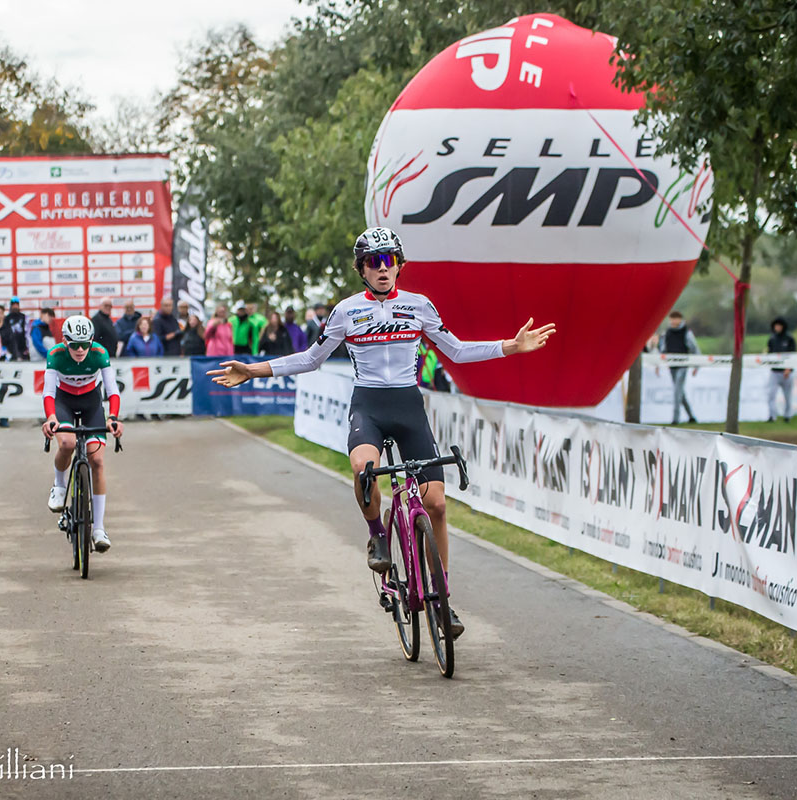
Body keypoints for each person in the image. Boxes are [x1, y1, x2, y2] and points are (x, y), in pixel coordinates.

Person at [210, 227, 555, 637]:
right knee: (364, 470)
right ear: (361, 269)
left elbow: (457, 350)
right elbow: (311, 358)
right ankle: (377, 535)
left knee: (439, 506)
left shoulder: (420, 306)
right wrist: (253, 369)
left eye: (389, 259)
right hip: (369, 406)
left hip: (408, 407)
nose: (382, 268)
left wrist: (510, 347)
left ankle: (443, 596)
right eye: (373, 262)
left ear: (400, 265)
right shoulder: (346, 311)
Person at [41, 315, 124, 553]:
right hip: (63, 401)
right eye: (74, 344)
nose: (80, 350)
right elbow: (48, 391)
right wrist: (51, 417)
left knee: (96, 460)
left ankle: (98, 528)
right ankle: (58, 485)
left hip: (91, 402)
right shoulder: (55, 355)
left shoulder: (99, 352)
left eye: (85, 344)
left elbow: (112, 389)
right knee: (67, 443)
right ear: (65, 341)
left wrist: (114, 418)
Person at [659, 310, 699, 424]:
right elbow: (663, 349)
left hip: (683, 365)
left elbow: (694, 349)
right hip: (671, 365)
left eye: (675, 318)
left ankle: (675, 419)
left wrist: (697, 365)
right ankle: (691, 416)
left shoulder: (686, 332)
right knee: (680, 392)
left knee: (677, 391)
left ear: (680, 319)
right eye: (672, 319)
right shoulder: (667, 333)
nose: (673, 321)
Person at [766, 317, 797, 422]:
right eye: (775, 326)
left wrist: (789, 368)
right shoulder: (772, 339)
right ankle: (772, 416)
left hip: (786, 372)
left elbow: (793, 355)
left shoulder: (789, 339)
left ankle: (787, 415)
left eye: (779, 325)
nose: (777, 328)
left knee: (787, 396)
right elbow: (769, 354)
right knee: (771, 395)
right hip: (775, 372)